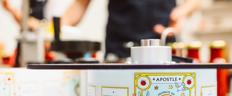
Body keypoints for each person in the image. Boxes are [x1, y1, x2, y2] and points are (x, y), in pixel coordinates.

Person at [62, 0, 200, 59]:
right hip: (119, 53)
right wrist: (55, 29)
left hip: (163, 50)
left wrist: (180, 13)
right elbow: (80, 3)